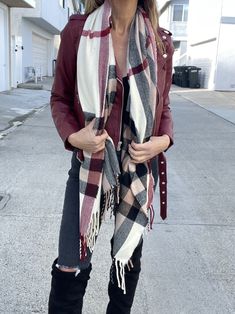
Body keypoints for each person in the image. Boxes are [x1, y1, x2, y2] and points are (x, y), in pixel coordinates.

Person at [48, 0, 174, 313]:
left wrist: (163, 141)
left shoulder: (160, 42)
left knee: (127, 265)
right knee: (69, 265)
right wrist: (75, 137)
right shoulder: (78, 31)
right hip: (89, 167)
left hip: (137, 172)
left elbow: (165, 106)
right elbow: (60, 98)